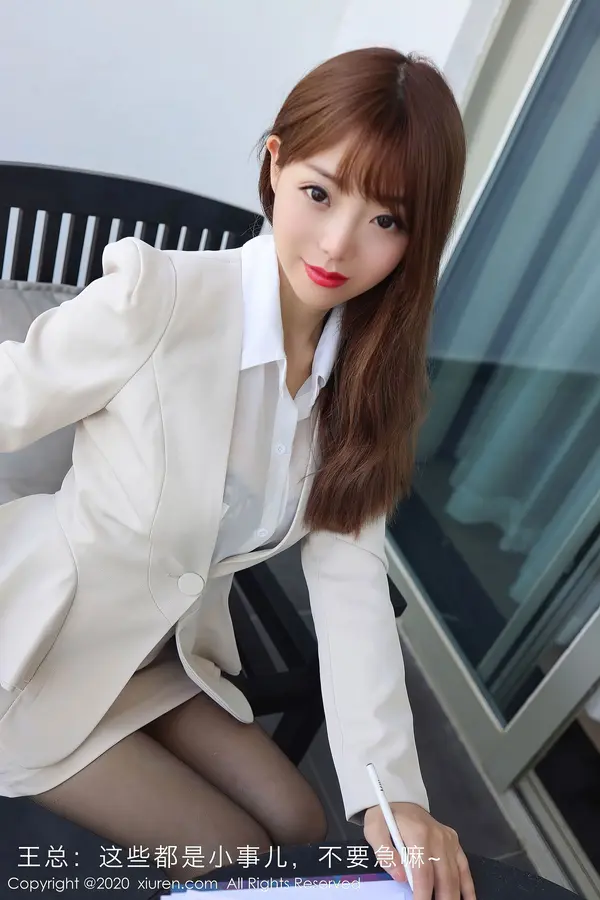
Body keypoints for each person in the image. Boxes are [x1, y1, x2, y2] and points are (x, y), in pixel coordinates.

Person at [0, 46, 474, 900]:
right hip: (34, 652)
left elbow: (351, 584)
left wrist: (394, 797)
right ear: (276, 166)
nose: (338, 244)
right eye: (320, 194)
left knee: (303, 825)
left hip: (163, 658)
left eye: (386, 220)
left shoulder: (368, 385)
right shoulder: (161, 296)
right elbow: (10, 396)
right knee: (236, 857)